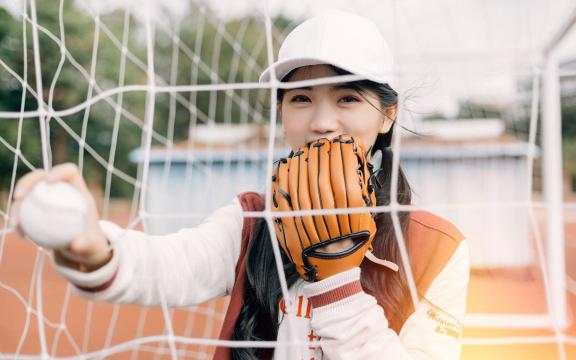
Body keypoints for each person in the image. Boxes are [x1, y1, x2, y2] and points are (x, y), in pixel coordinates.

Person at [10, 10, 469, 360]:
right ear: (281, 113)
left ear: (388, 115)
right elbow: (169, 266)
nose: (322, 123)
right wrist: (96, 249)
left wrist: (336, 280)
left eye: (347, 98)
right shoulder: (252, 220)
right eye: (302, 99)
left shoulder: (437, 247)